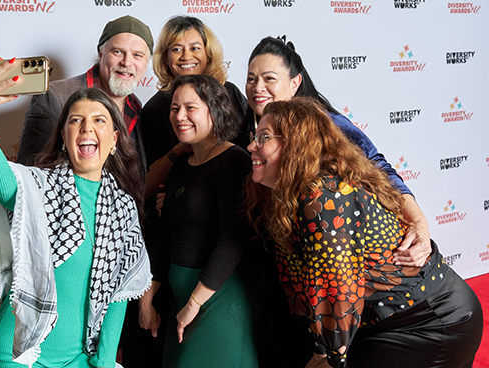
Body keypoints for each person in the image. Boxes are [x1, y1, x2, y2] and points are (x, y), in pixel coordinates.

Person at [244, 99, 482, 368]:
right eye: (255, 135)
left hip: (433, 321)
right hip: (387, 321)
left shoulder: (324, 199)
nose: (252, 145)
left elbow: (337, 289)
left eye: (264, 137)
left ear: (295, 144)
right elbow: (300, 281)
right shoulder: (285, 194)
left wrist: (327, 356)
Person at [240, 37, 433, 367]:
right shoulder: (256, 125)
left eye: (269, 78)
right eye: (251, 78)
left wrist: (419, 221)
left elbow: (379, 169)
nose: (258, 86)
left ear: (295, 81)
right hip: (288, 269)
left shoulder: (327, 128)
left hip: (350, 285)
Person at [0, 55, 152, 368]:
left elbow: (120, 294)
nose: (86, 127)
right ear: (64, 137)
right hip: (18, 355)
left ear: (115, 139)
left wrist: (103, 362)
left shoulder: (123, 207)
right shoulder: (36, 188)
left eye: (99, 120)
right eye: (75, 120)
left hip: (78, 359)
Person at [139, 75, 258, 367]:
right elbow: (166, 233)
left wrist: (195, 302)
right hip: (181, 300)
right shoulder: (182, 161)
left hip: (217, 300)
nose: (180, 116)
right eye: (174, 108)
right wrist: (147, 294)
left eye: (190, 107)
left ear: (214, 110)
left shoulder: (234, 161)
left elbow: (234, 239)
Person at [16, 15, 154, 169]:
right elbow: (29, 172)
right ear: (101, 55)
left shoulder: (135, 106)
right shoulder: (56, 96)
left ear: (146, 63)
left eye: (137, 55)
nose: (127, 62)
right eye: (118, 52)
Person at [141, 15, 247, 197]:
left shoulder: (230, 94)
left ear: (208, 54)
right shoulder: (155, 109)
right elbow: (149, 182)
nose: (186, 56)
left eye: (195, 48)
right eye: (176, 49)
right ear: (166, 58)